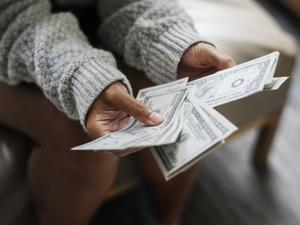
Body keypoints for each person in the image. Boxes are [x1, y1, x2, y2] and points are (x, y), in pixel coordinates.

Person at [0, 0, 235, 225]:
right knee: (86, 138)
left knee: (177, 93)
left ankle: (165, 216)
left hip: (87, 16)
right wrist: (85, 77)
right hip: (10, 30)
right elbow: (9, 14)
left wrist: (172, 41)